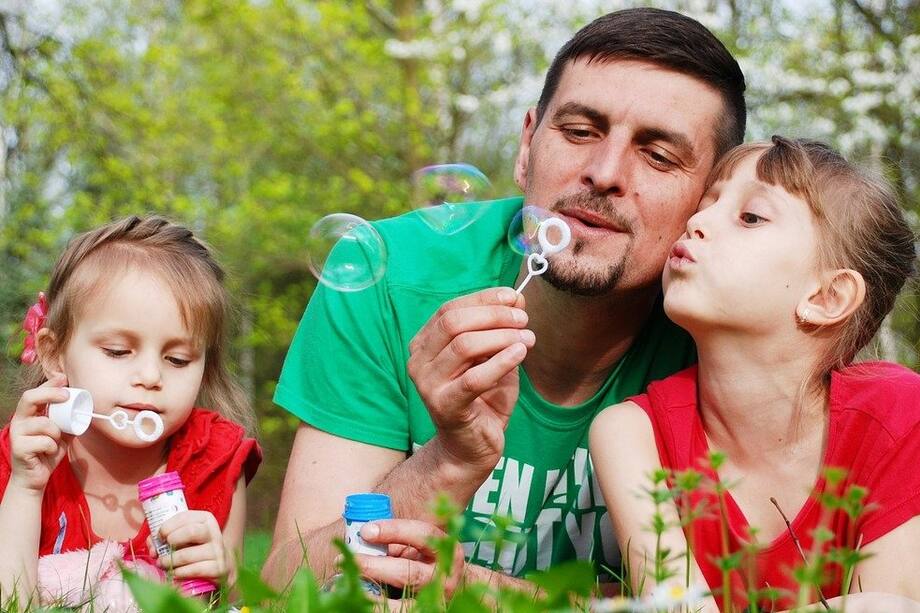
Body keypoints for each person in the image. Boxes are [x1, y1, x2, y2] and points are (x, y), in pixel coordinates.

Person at [264, 7, 746, 592]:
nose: (604, 173)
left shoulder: (733, 330)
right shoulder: (384, 274)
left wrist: (490, 596)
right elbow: (286, 586)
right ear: (526, 146)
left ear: (710, 201)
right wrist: (449, 459)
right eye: (579, 131)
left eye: (658, 156)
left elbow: (741, 598)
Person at [590, 137, 920, 611]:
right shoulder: (630, 432)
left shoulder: (899, 415)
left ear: (826, 297)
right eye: (706, 204)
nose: (697, 222)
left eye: (750, 217)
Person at [0, 216, 262, 607]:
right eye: (118, 352)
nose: (151, 376)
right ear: (54, 354)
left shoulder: (215, 460)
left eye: (178, 359)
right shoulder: (22, 455)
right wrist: (26, 488)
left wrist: (225, 574)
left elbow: (236, 606)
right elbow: (9, 601)